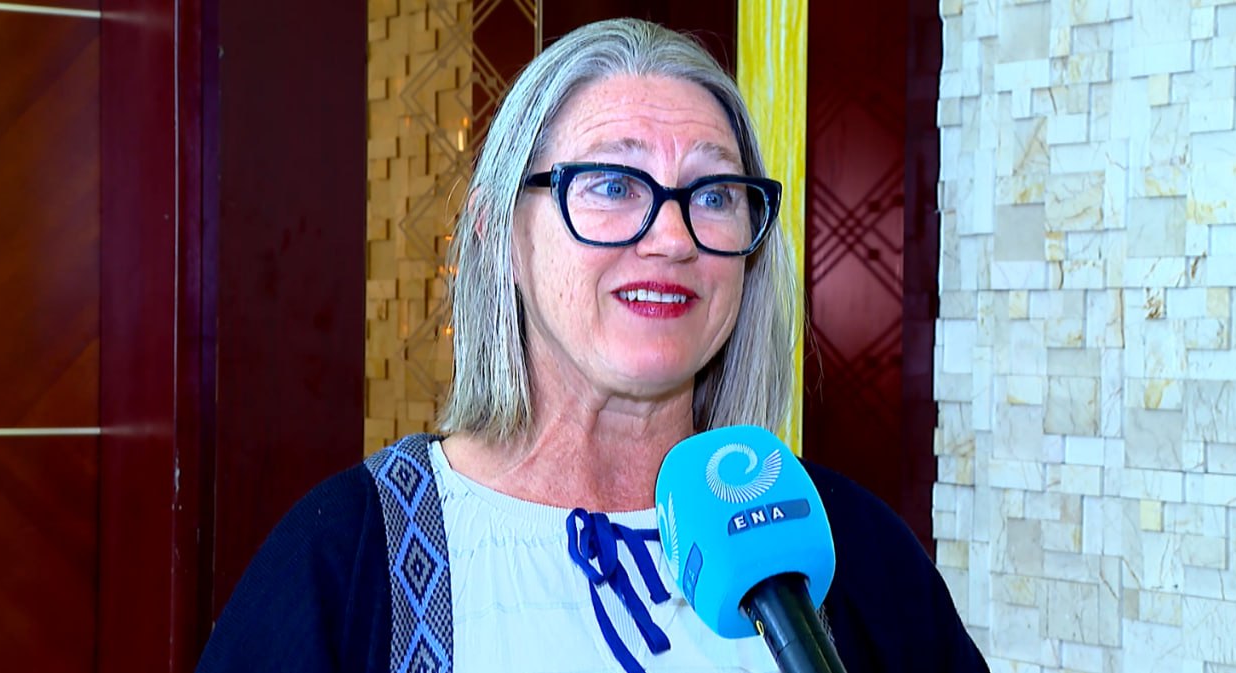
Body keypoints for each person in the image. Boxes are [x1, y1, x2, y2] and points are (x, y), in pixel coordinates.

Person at [196, 18, 988, 673]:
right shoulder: (347, 558)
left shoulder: (846, 550)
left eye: (714, 193)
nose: (674, 238)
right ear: (501, 232)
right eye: (613, 184)